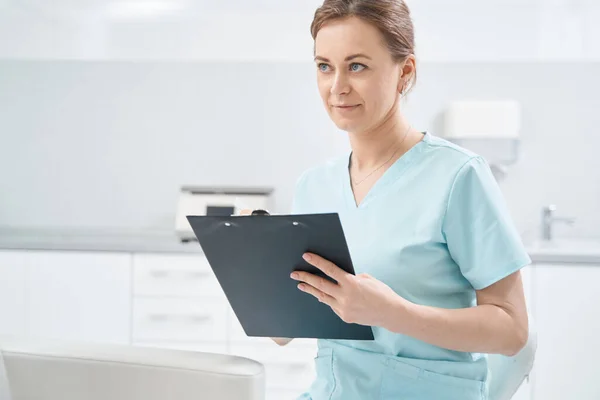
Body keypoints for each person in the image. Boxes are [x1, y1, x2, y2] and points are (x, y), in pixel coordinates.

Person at [259, 0, 532, 399]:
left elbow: (513, 332)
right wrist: (255, 267)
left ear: (405, 71)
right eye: (324, 66)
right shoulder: (314, 186)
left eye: (357, 66)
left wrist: (392, 313)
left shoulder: (457, 175)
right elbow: (283, 332)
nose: (337, 87)